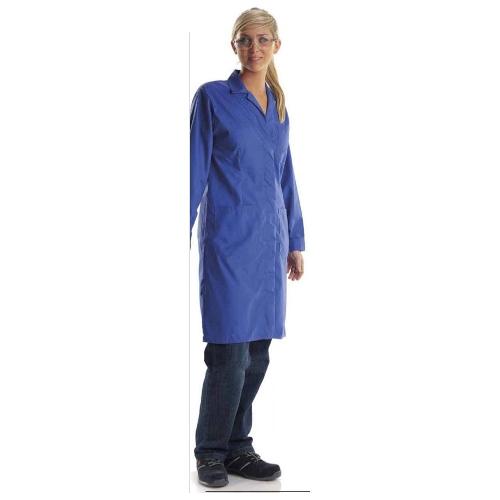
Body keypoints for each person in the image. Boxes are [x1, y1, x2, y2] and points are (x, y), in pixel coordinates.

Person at [190, 8, 305, 488]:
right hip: (228, 243)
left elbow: (285, 176)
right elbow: (192, 169)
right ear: (233, 46)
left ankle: (238, 447)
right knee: (229, 354)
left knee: (258, 353)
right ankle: (210, 452)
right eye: (244, 40)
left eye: (262, 40)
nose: (253, 48)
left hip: (269, 244)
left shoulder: (277, 105)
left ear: (276, 45)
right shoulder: (213, 98)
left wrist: (295, 240)